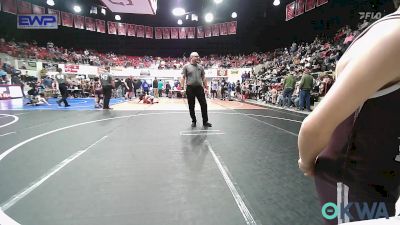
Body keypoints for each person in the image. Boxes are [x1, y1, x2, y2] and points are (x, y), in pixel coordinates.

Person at [298, 3, 400, 224]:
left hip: (375, 177)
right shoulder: (396, 37)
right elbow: (313, 128)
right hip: (355, 181)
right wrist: (306, 163)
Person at [181, 52, 212, 128]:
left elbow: (203, 78)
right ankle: (194, 121)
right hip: (190, 88)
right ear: (191, 57)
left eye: (198, 56)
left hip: (199, 88)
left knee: (204, 105)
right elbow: (182, 78)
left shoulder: (201, 67)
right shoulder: (186, 67)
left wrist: (206, 87)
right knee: (191, 106)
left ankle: (205, 122)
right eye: (196, 56)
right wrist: (182, 88)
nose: (198, 58)